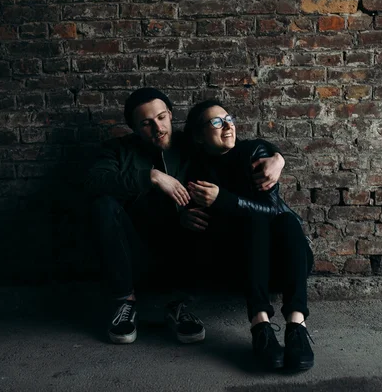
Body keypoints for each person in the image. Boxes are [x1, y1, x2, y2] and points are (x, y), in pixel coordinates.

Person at [84, 88, 286, 345]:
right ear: (134, 128)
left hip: (186, 245)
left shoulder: (191, 144)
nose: (157, 128)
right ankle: (125, 303)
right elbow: (93, 182)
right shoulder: (118, 150)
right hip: (136, 249)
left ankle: (179, 305)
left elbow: (235, 146)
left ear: (170, 114)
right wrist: (152, 177)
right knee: (102, 205)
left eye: (161, 118)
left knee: (204, 220)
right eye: (146, 123)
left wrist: (277, 157)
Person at [182, 100, 315, 371]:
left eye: (228, 118)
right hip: (236, 265)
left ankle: (296, 325)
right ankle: (261, 326)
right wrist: (182, 215)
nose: (228, 124)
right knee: (250, 223)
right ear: (198, 136)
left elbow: (272, 212)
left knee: (285, 221)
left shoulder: (253, 151)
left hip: (284, 261)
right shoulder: (194, 170)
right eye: (216, 122)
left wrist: (224, 200)